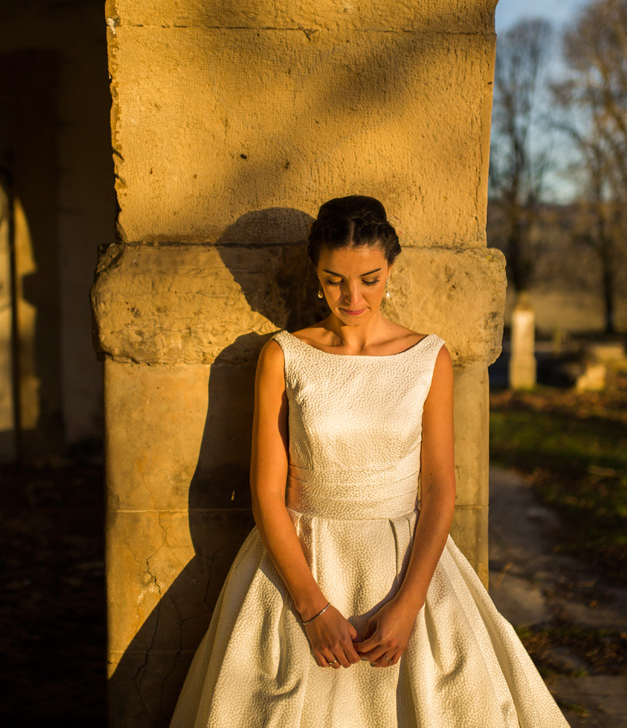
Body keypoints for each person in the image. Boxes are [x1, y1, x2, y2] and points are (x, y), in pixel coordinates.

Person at [170, 196, 569, 727]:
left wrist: (407, 608)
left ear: (391, 270)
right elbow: (266, 494)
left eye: (370, 279)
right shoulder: (284, 355)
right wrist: (312, 610)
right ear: (316, 274)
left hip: (404, 564)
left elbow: (441, 491)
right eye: (335, 280)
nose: (352, 297)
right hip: (304, 562)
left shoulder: (429, 358)